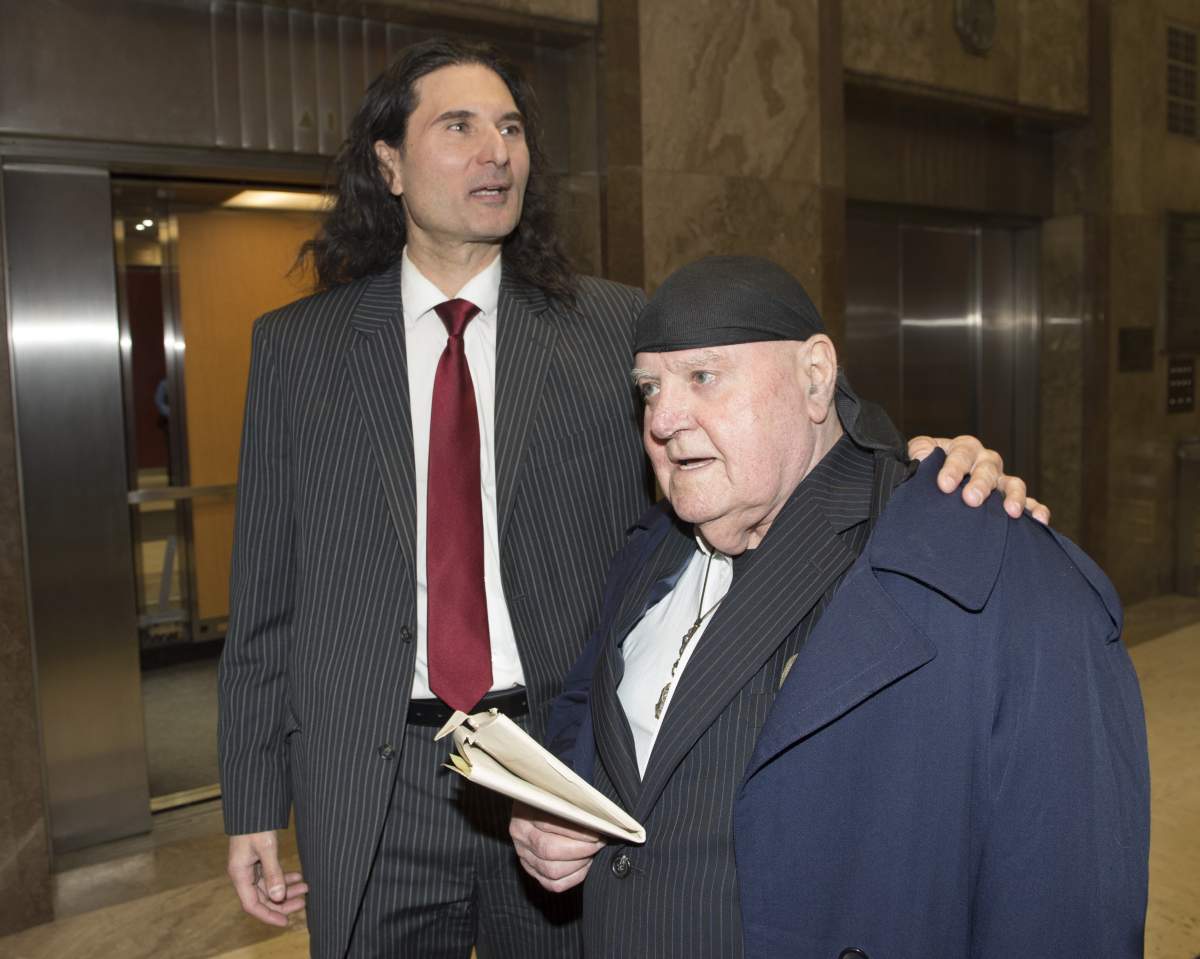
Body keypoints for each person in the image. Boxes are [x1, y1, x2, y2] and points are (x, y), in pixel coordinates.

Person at [218, 38, 1039, 959]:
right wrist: (252, 800)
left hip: (555, 766)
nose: (499, 151)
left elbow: (765, 428)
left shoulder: (610, 326)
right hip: (369, 770)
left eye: (513, 128)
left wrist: (927, 461)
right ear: (390, 164)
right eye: (460, 126)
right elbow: (265, 597)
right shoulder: (302, 348)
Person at [511, 256, 1149, 959]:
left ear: (815, 377)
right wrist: (554, 804)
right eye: (648, 388)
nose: (661, 418)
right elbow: (586, 709)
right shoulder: (647, 552)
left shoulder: (991, 569)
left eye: (704, 376)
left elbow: (1065, 906)